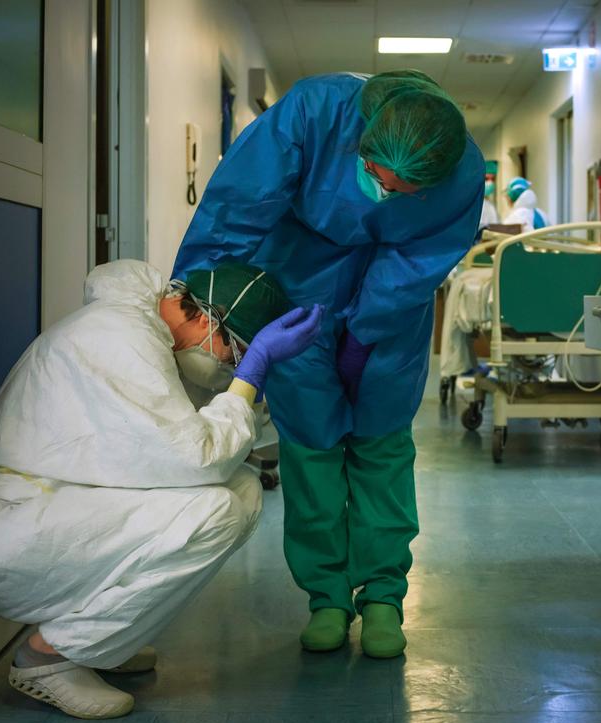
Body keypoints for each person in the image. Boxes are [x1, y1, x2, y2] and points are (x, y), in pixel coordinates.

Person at [174, 70, 484, 659]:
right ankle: (327, 598)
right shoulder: (317, 112)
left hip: (393, 301)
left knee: (381, 439)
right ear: (361, 145)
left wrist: (366, 332)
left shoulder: (461, 168)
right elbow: (240, 202)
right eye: (375, 178)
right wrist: (203, 294)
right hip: (297, 276)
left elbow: (420, 260)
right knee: (311, 442)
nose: (384, 196)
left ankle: (384, 597)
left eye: (404, 193)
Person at [0, 259, 322, 720]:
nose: (231, 367)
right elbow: (197, 458)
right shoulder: (121, 339)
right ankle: (47, 657)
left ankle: (99, 638)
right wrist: (250, 379)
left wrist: (248, 383)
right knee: (216, 509)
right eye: (236, 354)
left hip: (47, 508)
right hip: (6, 533)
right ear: (207, 320)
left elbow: (192, 442)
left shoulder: (146, 333)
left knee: (240, 487)